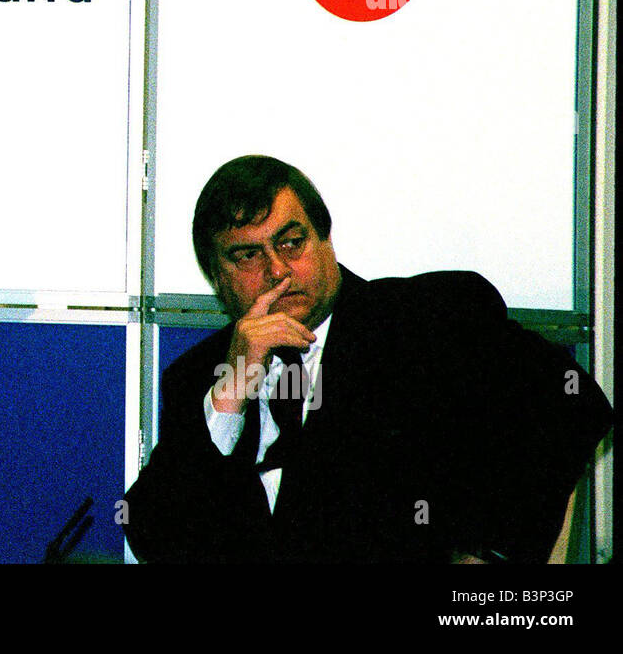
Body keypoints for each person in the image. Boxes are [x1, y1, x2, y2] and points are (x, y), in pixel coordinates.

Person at [124, 155, 612, 563]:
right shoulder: (201, 376)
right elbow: (154, 536)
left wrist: (486, 555)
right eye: (247, 256)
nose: (277, 270)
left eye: (291, 242)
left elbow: (573, 403)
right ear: (217, 277)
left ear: (325, 240)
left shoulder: (426, 320)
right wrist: (229, 398)